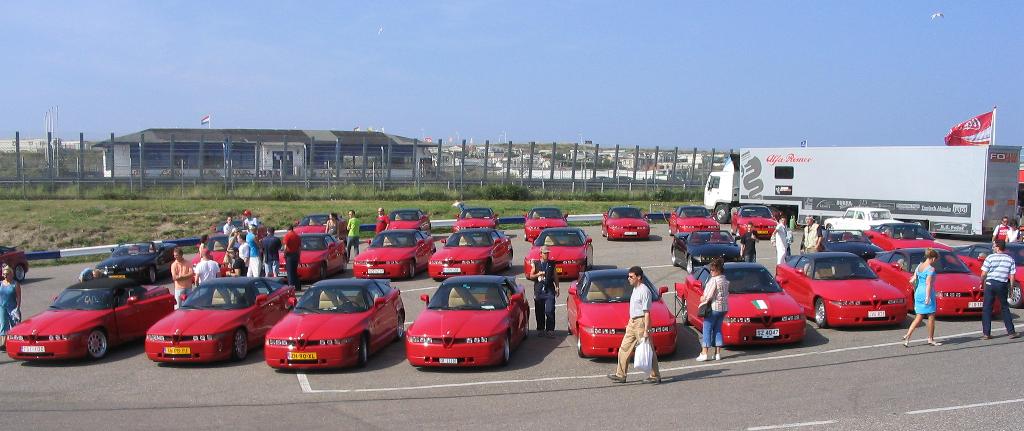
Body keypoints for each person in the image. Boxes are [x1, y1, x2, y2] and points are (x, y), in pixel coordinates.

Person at [607, 266, 661, 384]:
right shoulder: (635, 289)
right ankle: (621, 374)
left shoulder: (644, 291)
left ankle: (655, 375)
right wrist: (630, 321)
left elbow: (647, 313)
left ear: (639, 277)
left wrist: (646, 330)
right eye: (629, 276)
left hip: (641, 323)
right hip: (633, 322)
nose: (629, 279)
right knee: (624, 348)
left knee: (647, 349)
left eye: (631, 277)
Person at [979, 241, 1020, 340]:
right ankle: (1011, 332)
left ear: (997, 247)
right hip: (1002, 284)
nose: (993, 247)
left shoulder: (990, 258)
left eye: (994, 246)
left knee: (987, 308)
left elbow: (984, 273)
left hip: (990, 283)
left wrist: (981, 282)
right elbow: (1012, 275)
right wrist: (1011, 288)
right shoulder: (1009, 259)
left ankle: (986, 333)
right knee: (1004, 307)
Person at [902, 248, 942, 347]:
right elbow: (928, 284)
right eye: (935, 260)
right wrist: (928, 297)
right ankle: (930, 339)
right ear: (932, 258)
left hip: (918, 292)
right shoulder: (931, 269)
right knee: (931, 316)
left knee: (919, 316)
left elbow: (913, 278)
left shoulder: (919, 266)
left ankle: (908, 336)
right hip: (926, 293)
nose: (935, 262)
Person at [697, 258, 728, 361]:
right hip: (723, 308)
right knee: (718, 329)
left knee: (707, 329)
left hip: (713, 308)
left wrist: (702, 298)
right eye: (711, 270)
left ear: (719, 270)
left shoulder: (714, 280)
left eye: (713, 270)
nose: (711, 272)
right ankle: (717, 353)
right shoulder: (724, 280)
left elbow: (708, 296)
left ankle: (704, 352)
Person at [527, 246, 560, 338]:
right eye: (545, 253)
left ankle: (550, 330)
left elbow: (555, 276)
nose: (547, 255)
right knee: (539, 311)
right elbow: (531, 276)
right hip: (539, 291)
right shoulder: (536, 264)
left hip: (549, 290)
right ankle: (541, 329)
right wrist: (538, 274)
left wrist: (557, 287)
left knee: (550, 310)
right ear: (540, 254)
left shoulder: (551, 264)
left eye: (547, 253)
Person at [0, 265, 23, 352]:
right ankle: (4, 343)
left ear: (11, 274)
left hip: (12, 308)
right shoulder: (1, 283)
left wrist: (17, 308)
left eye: (7, 274)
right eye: (4, 274)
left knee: (15, 326)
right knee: (3, 325)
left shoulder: (15, 284)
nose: (5, 275)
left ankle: (18, 343)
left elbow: (18, 297)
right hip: (2, 307)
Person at [283, 225, 302, 289]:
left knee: (290, 272)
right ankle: (298, 286)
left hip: (289, 255)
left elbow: (285, 247)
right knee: (295, 271)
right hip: (296, 255)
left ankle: (290, 287)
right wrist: (299, 257)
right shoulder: (297, 236)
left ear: (288, 230)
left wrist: (284, 254)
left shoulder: (287, 236)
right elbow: (299, 248)